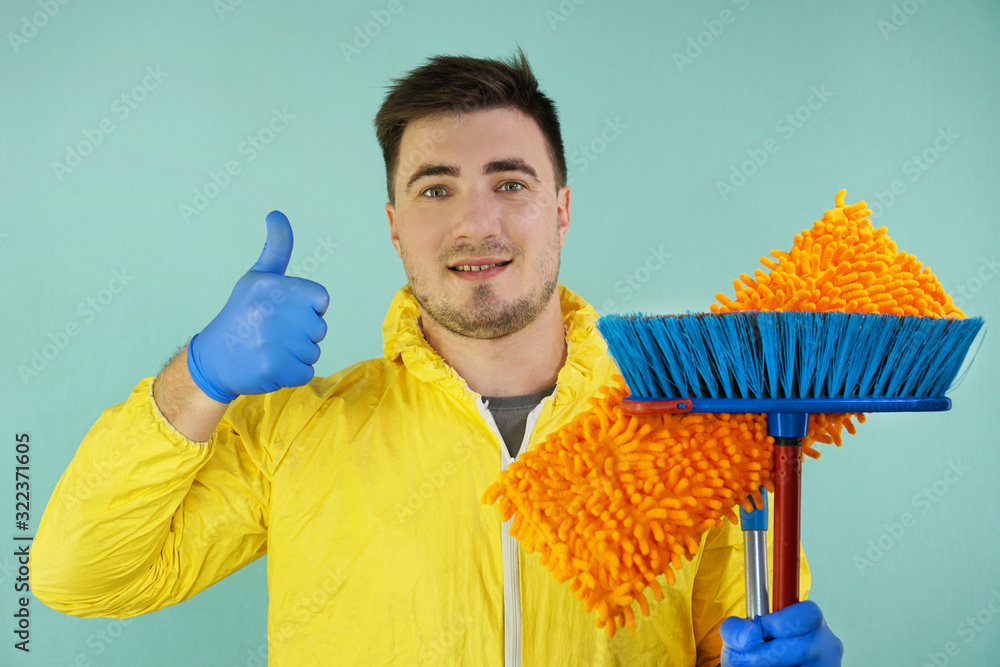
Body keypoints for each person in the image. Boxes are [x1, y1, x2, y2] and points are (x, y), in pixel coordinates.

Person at [30, 50, 842, 666]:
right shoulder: (295, 434)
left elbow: (735, 641)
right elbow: (77, 575)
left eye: (510, 183)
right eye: (436, 188)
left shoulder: (692, 436)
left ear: (561, 210)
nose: (475, 223)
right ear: (393, 225)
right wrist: (199, 378)